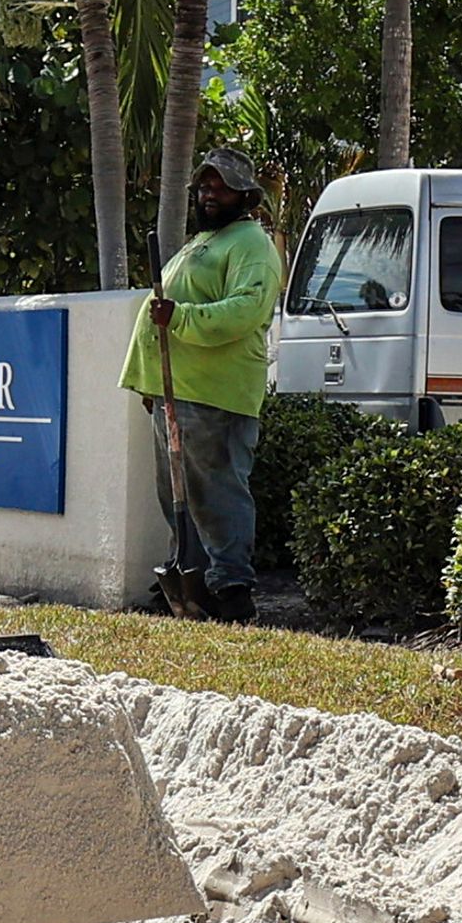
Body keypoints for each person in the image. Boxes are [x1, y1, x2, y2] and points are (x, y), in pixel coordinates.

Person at [118, 147, 284, 622]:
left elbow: (244, 311)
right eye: (204, 186)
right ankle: (189, 580)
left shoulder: (252, 245)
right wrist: (150, 384)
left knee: (217, 494)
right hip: (176, 393)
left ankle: (232, 591)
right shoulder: (204, 242)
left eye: (221, 186)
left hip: (216, 395)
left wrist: (181, 317)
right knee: (178, 496)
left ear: (246, 195)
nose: (209, 193)